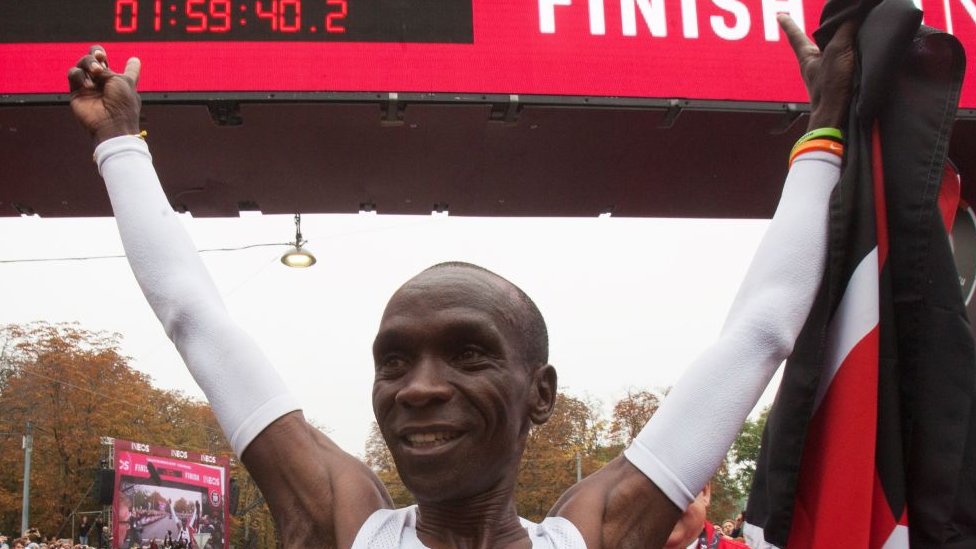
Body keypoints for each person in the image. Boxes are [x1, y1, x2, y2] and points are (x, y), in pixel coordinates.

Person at [67, 13, 856, 548]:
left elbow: (759, 332)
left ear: (540, 393)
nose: (418, 388)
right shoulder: (344, 525)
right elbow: (196, 318)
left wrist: (825, 132)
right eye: (393, 359)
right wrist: (120, 145)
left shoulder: (598, 535)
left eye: (468, 353)